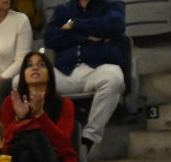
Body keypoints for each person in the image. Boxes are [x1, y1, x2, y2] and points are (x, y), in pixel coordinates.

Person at [5, 50, 85, 162]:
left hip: (51, 160)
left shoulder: (64, 104)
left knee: (31, 153)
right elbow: (2, 143)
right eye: (29, 65)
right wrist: (19, 118)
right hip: (13, 161)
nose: (35, 68)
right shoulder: (11, 102)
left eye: (41, 65)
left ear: (49, 73)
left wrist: (40, 115)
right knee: (33, 138)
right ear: (23, 74)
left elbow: (64, 144)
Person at [43, 0, 126, 149]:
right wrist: (85, 37)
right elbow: (50, 38)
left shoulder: (111, 5)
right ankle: (41, 137)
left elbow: (113, 25)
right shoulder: (64, 10)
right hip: (65, 72)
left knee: (114, 79)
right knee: (19, 82)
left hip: (98, 68)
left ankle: (89, 138)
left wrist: (74, 24)